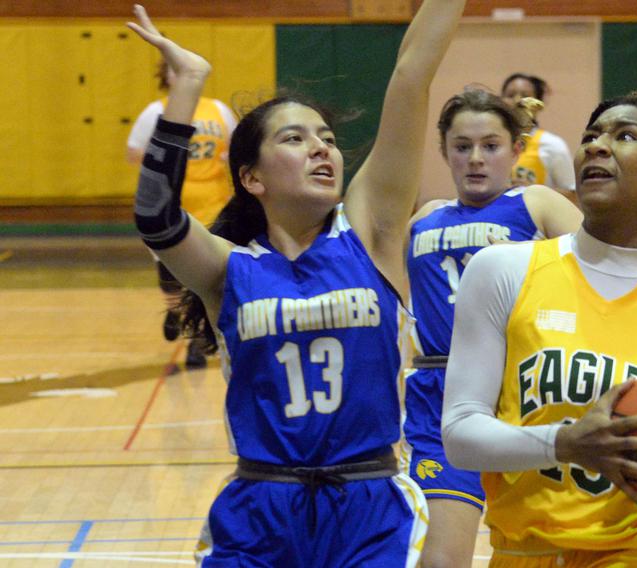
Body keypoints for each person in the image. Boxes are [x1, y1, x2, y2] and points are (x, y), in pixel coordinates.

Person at [126, 0, 464, 564]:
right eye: (295, 139)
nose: (321, 148)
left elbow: (410, 74)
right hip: (260, 507)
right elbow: (156, 215)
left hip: (369, 504)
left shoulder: (373, 233)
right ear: (252, 177)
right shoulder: (228, 269)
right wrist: (186, 84)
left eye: (326, 137)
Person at [441, 90, 637, 567]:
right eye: (591, 136)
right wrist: (567, 443)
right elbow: (459, 434)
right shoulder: (502, 271)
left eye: (625, 136)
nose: (597, 146)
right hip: (523, 551)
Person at [403, 89, 582, 567]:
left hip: (522, 394)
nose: (476, 159)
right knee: (440, 561)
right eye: (462, 147)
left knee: (548, 555)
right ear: (444, 152)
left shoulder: (539, 204)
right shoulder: (423, 218)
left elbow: (607, 276)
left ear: (517, 150)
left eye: (491, 145)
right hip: (438, 394)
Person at [128, 58, 237, 368]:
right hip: (172, 207)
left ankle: (197, 343)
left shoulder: (218, 110)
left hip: (215, 204)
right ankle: (176, 312)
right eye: (173, 70)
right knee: (171, 278)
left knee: (208, 277)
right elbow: (133, 151)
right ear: (166, 78)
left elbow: (236, 148)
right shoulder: (156, 112)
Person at [500, 73, 575, 197]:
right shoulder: (492, 143)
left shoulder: (552, 145)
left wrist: (535, 192)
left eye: (525, 96)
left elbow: (575, 196)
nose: (518, 101)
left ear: (538, 105)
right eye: (510, 95)